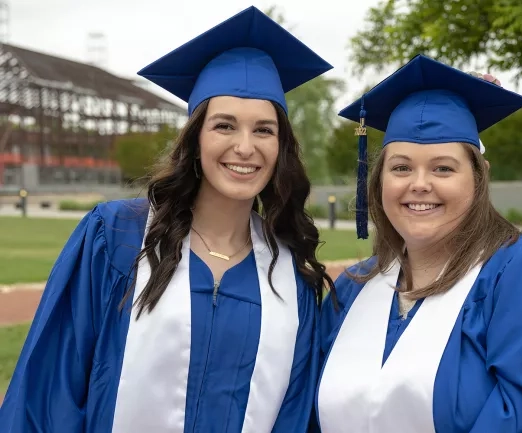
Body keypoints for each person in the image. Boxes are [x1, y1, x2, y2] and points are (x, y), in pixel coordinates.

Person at [0, 6, 335, 433]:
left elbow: (294, 417)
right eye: (224, 125)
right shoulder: (117, 239)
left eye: (264, 130)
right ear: (195, 139)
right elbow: (50, 391)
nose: (245, 147)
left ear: (281, 147)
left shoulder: (289, 278)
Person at [313, 55, 522, 433]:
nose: (419, 183)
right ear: (379, 181)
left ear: (479, 177)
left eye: (443, 168)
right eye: (401, 167)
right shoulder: (353, 290)